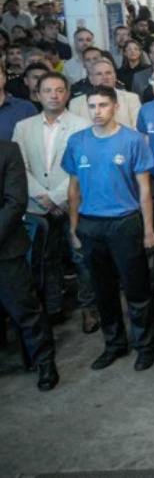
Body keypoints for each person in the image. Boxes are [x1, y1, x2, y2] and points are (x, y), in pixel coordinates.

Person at [63, 85, 154, 372]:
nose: (97, 111)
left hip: (125, 223)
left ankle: (145, 346)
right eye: (92, 106)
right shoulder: (77, 141)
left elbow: (144, 190)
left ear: (115, 107)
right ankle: (114, 344)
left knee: (136, 289)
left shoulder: (132, 140)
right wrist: (74, 228)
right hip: (91, 224)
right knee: (103, 291)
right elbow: (73, 189)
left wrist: (148, 229)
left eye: (103, 105)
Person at [12, 72, 91, 330]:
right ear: (37, 94)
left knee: (81, 256)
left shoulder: (82, 125)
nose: (53, 96)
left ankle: (89, 308)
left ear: (67, 94)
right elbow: (19, 167)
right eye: (47, 90)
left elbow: (82, 167)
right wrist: (41, 196)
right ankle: (53, 307)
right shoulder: (23, 127)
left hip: (72, 201)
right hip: (37, 204)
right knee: (46, 259)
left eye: (59, 90)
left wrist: (57, 196)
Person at [0, 136, 59, 390]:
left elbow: (15, 203)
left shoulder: (7, 151)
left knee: (26, 310)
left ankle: (45, 363)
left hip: (6, 250)